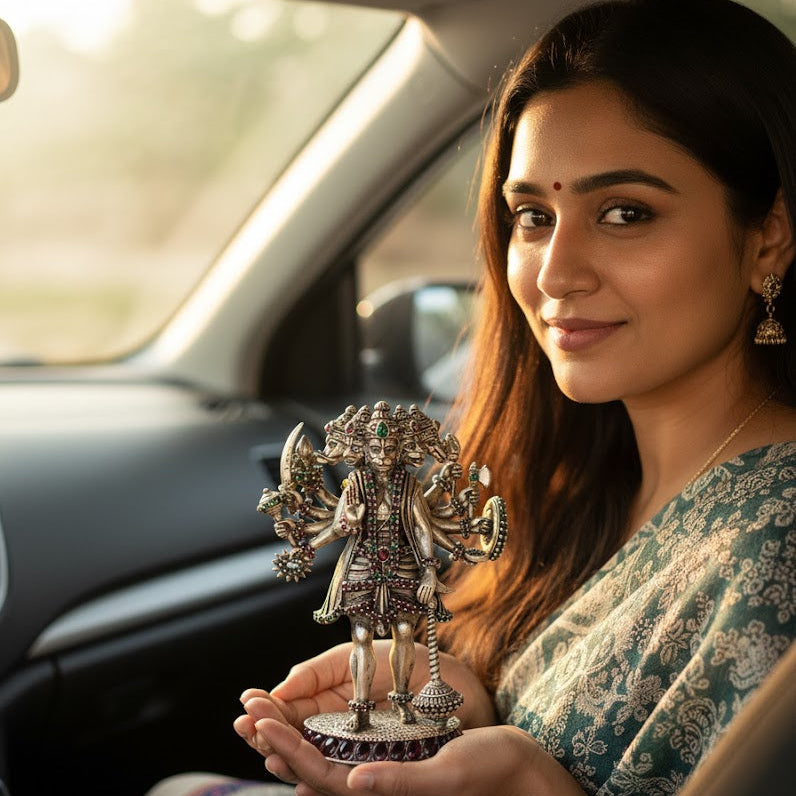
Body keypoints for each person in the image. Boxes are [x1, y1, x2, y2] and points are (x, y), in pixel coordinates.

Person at [146, 0, 795, 794]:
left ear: (770, 235)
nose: (555, 274)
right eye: (533, 216)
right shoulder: (590, 482)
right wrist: (469, 709)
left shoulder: (776, 542)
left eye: (625, 213)